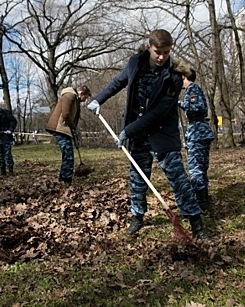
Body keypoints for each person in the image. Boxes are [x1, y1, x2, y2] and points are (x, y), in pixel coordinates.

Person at [86, 29, 208, 239]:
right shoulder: (135, 63)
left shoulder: (175, 76)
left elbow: (158, 113)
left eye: (166, 52)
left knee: (179, 179)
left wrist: (126, 131)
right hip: (138, 135)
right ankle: (137, 217)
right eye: (158, 51)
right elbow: (117, 82)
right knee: (137, 177)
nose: (162, 57)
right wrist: (98, 99)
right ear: (149, 46)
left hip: (162, 133)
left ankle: (196, 224)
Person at [175, 60, 215, 211]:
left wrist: (181, 104)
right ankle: (204, 199)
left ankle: (201, 202)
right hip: (200, 131)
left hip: (197, 132)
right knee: (201, 167)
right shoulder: (193, 90)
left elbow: (197, 108)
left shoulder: (192, 89)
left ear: (184, 77)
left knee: (196, 169)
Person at [46, 85, 92, 184]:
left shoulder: (75, 100)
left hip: (64, 128)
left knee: (67, 155)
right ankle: (66, 181)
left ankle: (62, 180)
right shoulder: (69, 95)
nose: (85, 100)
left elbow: (73, 118)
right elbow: (66, 114)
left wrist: (75, 134)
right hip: (60, 128)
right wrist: (73, 128)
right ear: (81, 93)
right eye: (86, 97)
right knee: (68, 156)